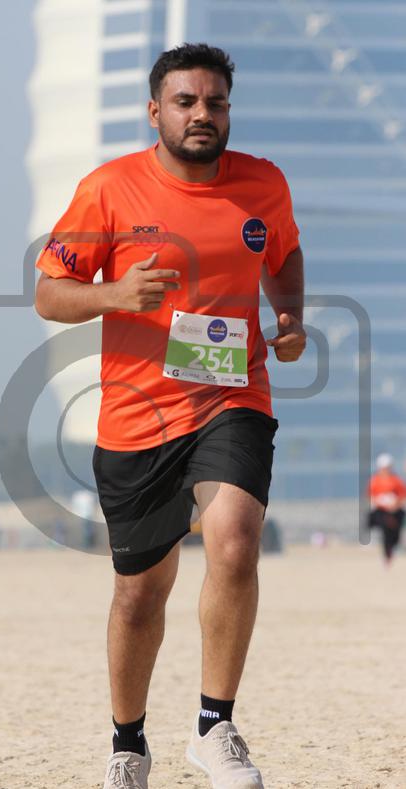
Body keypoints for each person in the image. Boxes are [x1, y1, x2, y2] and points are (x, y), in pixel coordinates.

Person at [35, 43, 306, 789]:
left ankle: (216, 726)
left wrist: (289, 317)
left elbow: (284, 255)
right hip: (139, 416)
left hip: (233, 397)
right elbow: (50, 293)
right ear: (155, 111)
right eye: (186, 102)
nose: (201, 114)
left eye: (215, 102)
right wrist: (115, 295)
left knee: (236, 544)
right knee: (138, 595)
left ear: (229, 111)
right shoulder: (109, 189)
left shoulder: (263, 183)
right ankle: (128, 743)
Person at [368, 453, 406, 564]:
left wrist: (395, 504)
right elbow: (371, 496)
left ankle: (393, 547)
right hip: (381, 511)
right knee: (384, 526)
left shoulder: (396, 480)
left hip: (395, 511)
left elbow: (402, 496)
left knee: (395, 531)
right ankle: (386, 553)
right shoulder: (375, 480)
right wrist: (381, 502)